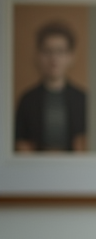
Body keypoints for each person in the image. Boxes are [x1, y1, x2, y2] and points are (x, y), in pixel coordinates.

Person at [14, 21, 88, 152]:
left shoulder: (83, 99)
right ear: (38, 55)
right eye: (47, 51)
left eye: (60, 51)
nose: (54, 58)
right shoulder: (27, 100)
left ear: (71, 56)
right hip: (36, 169)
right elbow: (21, 144)